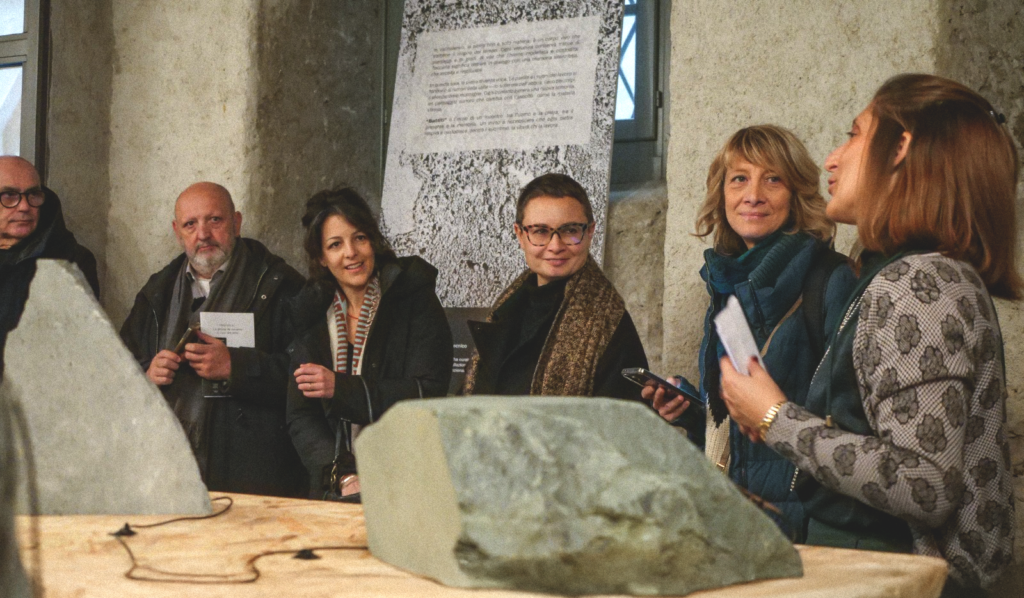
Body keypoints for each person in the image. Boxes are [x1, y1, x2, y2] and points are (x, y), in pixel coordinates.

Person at [719, 74, 1018, 594]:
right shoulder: (903, 273)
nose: (832, 159)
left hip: (902, 579)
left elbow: (925, 485)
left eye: (854, 134)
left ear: (900, 148)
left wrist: (774, 418)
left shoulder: (920, 283)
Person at [644, 125, 857, 541]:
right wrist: (693, 411)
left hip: (804, 529)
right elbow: (746, 419)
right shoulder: (728, 286)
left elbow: (849, 428)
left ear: (796, 194)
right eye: (739, 178)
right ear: (721, 193)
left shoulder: (831, 281)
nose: (753, 195)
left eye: (772, 179)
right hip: (739, 521)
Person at [120, 182, 307, 497]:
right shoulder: (157, 292)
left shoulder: (280, 286)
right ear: (177, 233)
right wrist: (146, 375)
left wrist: (237, 367)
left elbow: (309, 379)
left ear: (236, 222)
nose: (203, 234)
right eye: (190, 225)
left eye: (214, 220)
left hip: (251, 476)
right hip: (168, 475)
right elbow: (116, 375)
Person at [286, 188, 452, 499]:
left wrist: (341, 388)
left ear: (373, 241)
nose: (351, 252)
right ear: (321, 258)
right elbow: (301, 416)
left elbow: (428, 392)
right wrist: (342, 475)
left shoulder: (413, 299)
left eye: (359, 238)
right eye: (335, 245)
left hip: (408, 483)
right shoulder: (312, 315)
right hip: (337, 491)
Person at [463, 172, 647, 399]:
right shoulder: (507, 308)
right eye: (541, 231)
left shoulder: (609, 324)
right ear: (520, 235)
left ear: (590, 232)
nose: (555, 246)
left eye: (570, 230)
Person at [0, 156, 99, 375]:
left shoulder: (70, 262)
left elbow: (69, 349)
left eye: (33, 194)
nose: (24, 206)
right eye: (9, 195)